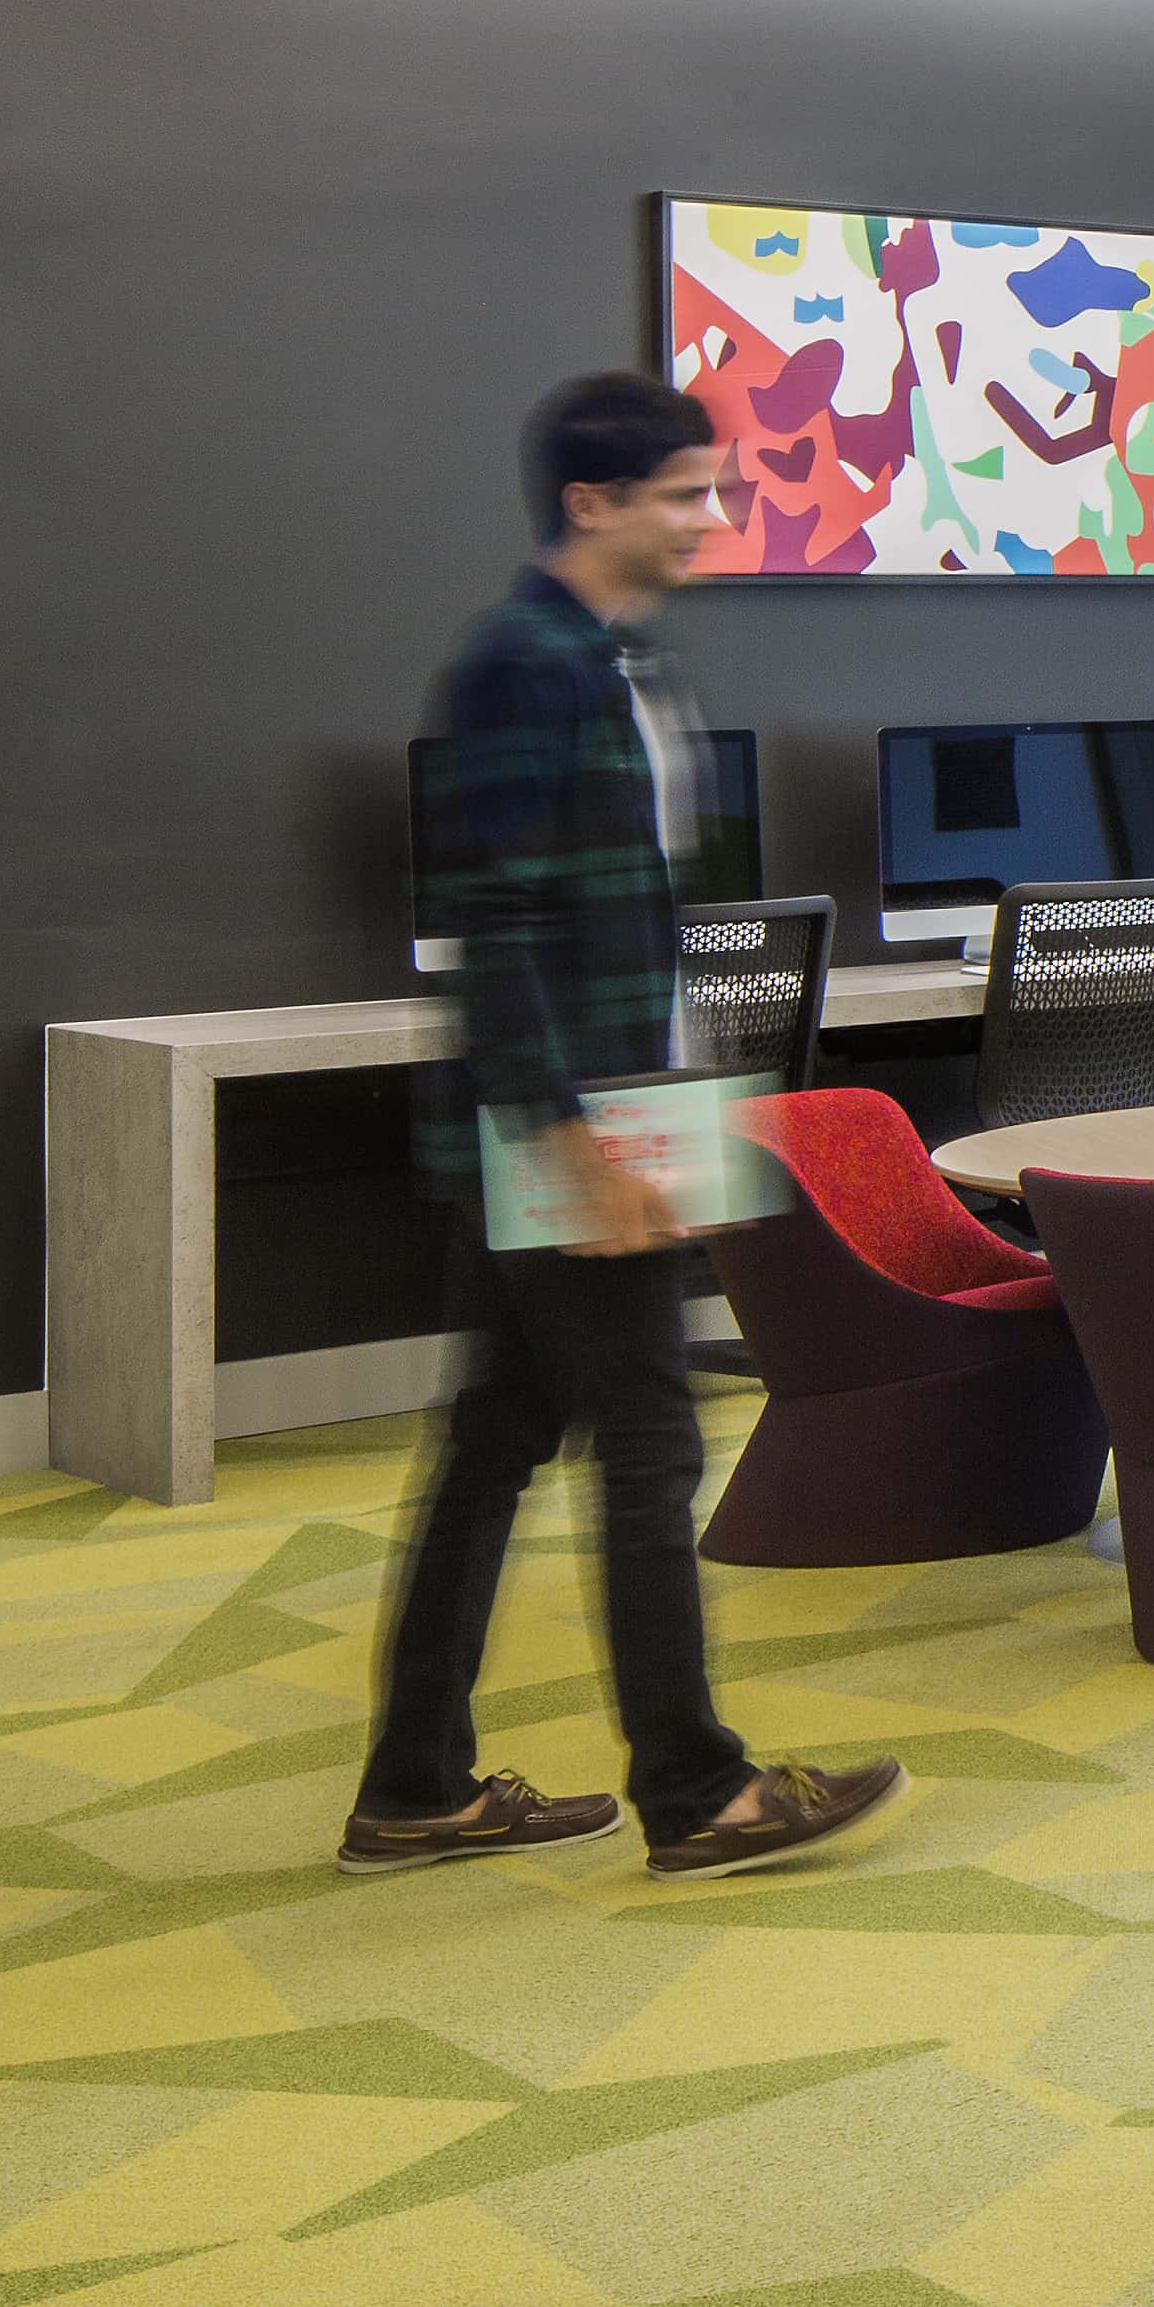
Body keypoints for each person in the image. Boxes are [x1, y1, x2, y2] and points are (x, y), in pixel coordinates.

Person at [346, 372, 905, 1877]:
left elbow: (621, 920)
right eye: (682, 494)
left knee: (496, 1443)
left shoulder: (614, 660)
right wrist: (571, 1141)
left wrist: (669, 1116)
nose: (711, 518)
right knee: (651, 1442)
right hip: (564, 1128)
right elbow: (493, 924)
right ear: (591, 504)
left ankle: (414, 1787)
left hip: (610, 1110)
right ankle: (699, 1792)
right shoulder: (518, 666)